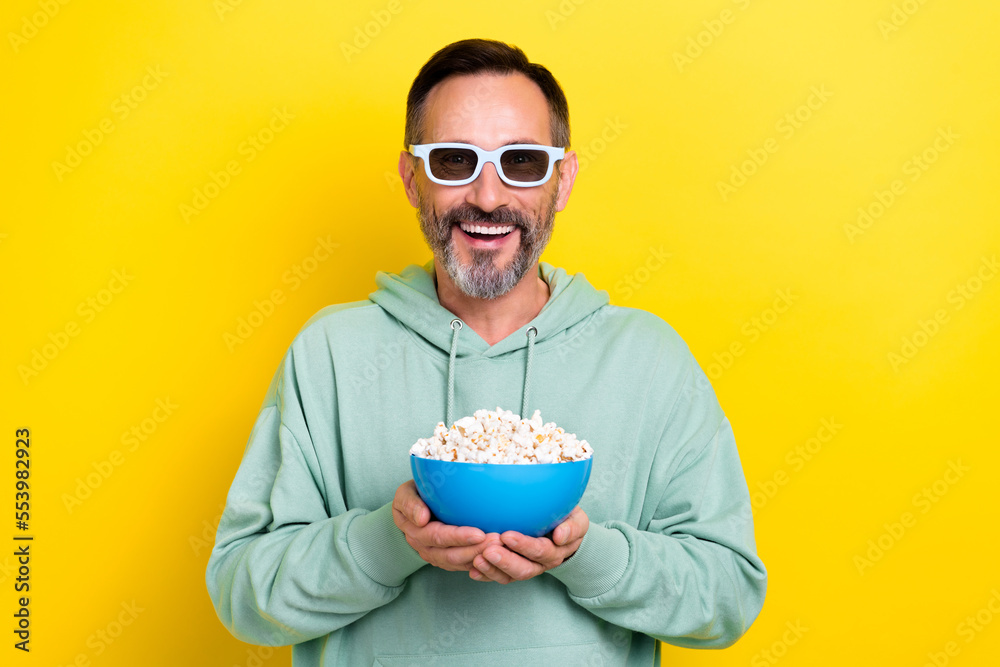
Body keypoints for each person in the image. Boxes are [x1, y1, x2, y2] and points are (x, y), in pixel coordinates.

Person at [206, 38, 766, 665]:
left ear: (563, 180)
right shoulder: (330, 355)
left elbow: (729, 596)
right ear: (411, 178)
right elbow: (242, 595)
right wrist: (391, 540)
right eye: (454, 161)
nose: (489, 196)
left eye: (522, 162)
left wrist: (585, 554)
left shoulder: (649, 360)